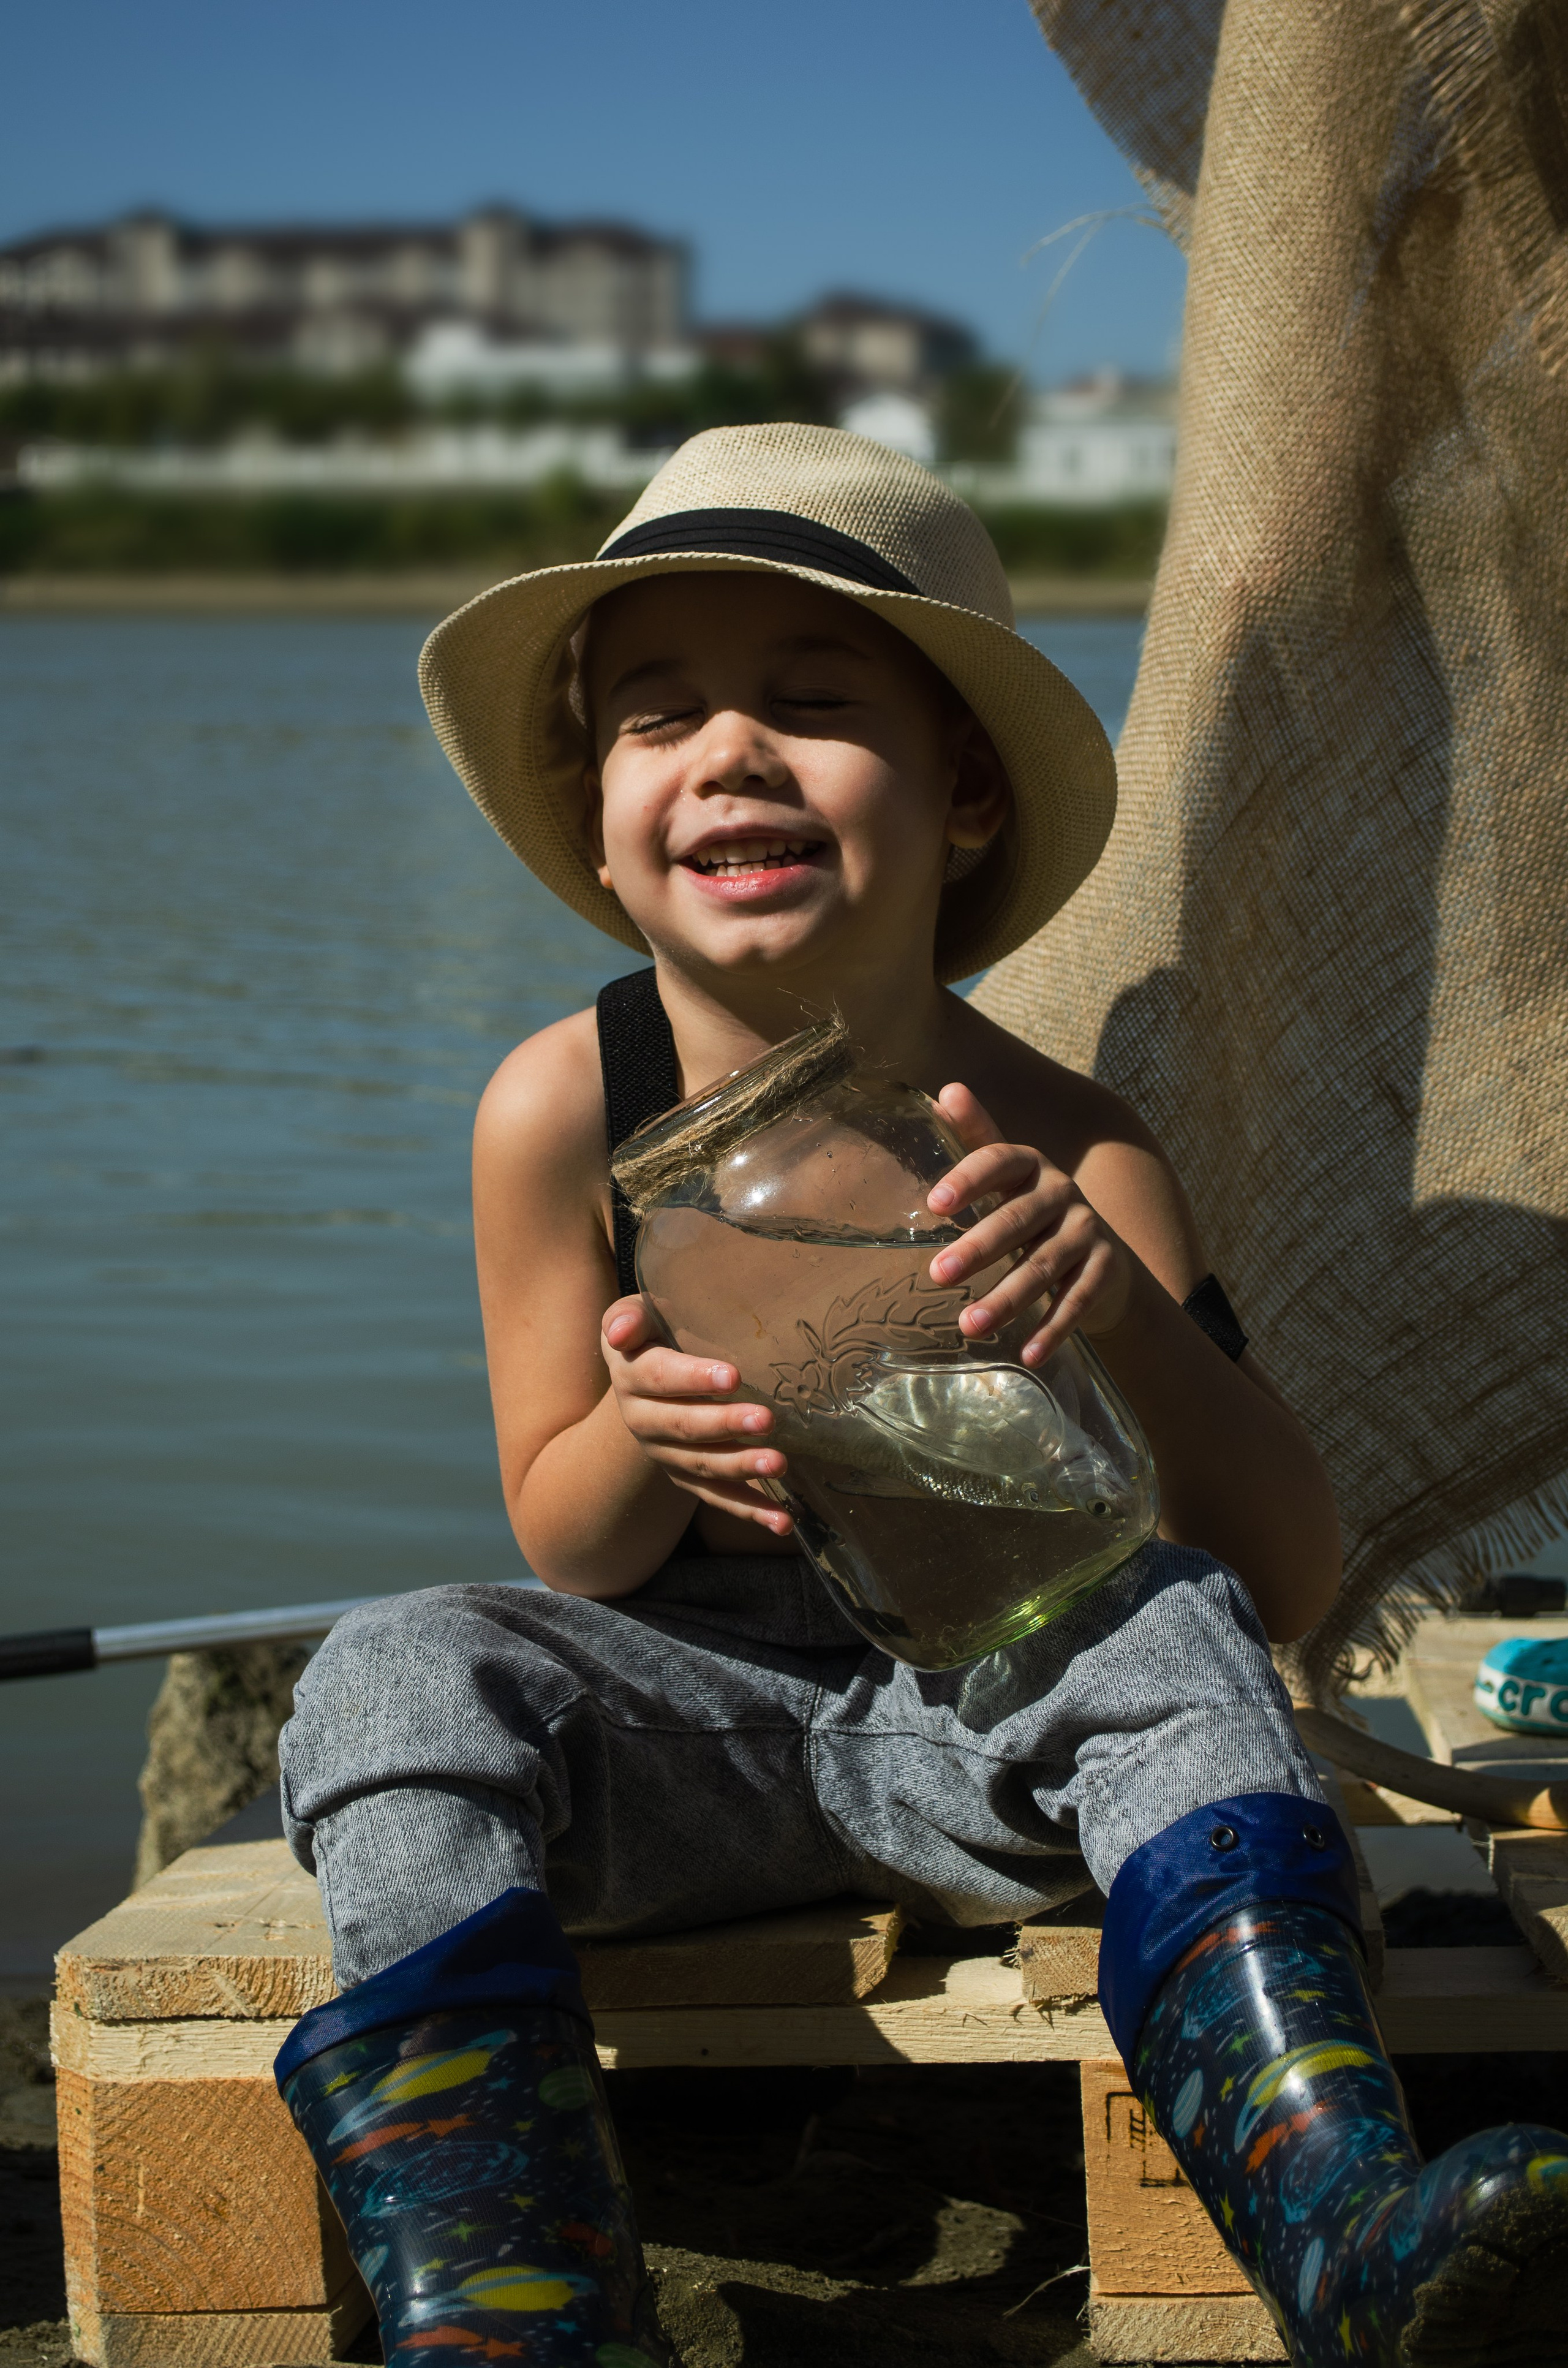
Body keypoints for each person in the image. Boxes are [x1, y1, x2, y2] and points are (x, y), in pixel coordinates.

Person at [274, 426, 1568, 2368]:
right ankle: (518, 2297)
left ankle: (1339, 2219)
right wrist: (641, 1433)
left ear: (964, 791)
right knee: (390, 1669)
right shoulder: (560, 1111)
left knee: (1171, 1621)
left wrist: (1117, 1311)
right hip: (695, 1747)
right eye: (659, 717)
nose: (732, 752)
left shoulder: (1060, 1145)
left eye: (812, 702)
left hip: (991, 1752)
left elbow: (1284, 1571)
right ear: (603, 818)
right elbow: (567, 1534)